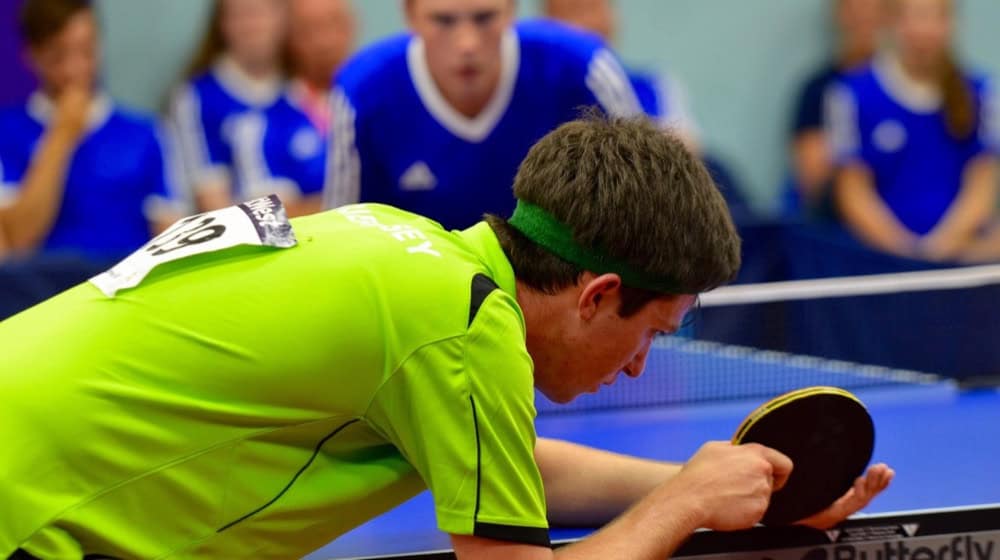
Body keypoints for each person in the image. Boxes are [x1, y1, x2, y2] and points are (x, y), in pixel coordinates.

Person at [0, 115, 892, 559]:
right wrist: (682, 507)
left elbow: (511, 465)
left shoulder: (403, 245)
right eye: (647, 334)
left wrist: (715, 485)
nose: (637, 369)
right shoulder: (462, 327)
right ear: (598, 295)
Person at [323, 0, 645, 231]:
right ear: (410, 15)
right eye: (443, 21)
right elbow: (341, 238)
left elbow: (647, 206)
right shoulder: (362, 92)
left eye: (484, 17)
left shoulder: (585, 69)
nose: (467, 43)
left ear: (511, 9)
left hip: (566, 294)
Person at [0, 0, 182, 263]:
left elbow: (171, 236)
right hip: (45, 281)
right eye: (58, 55)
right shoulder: (8, 132)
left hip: (128, 276)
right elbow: (18, 238)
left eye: (86, 51)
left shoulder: (144, 133)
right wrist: (61, 135)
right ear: (34, 56)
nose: (75, 69)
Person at [826, 0, 999, 261]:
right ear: (892, 22)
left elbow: (982, 185)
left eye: (936, 18)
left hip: (961, 258)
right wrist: (906, 254)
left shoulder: (982, 93)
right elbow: (853, 191)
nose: (925, 30)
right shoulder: (852, 95)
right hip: (880, 261)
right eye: (915, 17)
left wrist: (940, 249)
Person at [229, 0, 356, 217]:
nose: (325, 41)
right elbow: (275, 218)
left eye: (335, 24)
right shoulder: (262, 126)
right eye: (310, 30)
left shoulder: (380, 104)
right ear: (287, 38)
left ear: (352, 26)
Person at [168, 0, 287, 212]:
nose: (252, 26)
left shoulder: (300, 90)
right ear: (222, 24)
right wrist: (307, 210)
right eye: (240, 15)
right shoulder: (197, 98)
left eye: (259, 13)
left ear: (283, 17)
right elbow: (215, 208)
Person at [541, 0, 701, 152]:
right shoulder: (540, 97)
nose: (587, 23)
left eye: (594, 8)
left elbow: (688, 148)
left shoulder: (654, 86)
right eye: (574, 11)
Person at [787, 0, 883, 216]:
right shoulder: (820, 89)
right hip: (838, 216)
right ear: (839, 14)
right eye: (855, 9)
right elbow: (812, 177)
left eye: (873, 10)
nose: (863, 17)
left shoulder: (907, 91)